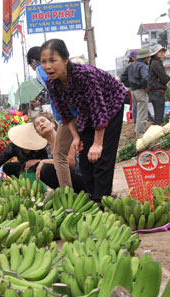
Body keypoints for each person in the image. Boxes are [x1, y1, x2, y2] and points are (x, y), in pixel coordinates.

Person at [40, 39, 125, 203]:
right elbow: (65, 114)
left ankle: (102, 200)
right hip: (85, 112)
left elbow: (99, 109)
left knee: (102, 156)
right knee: (85, 158)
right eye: (44, 61)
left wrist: (99, 143)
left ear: (65, 60)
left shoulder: (84, 75)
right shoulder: (52, 83)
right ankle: (92, 198)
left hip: (111, 104)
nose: (48, 66)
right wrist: (76, 137)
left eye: (52, 60)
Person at [27, 46, 78, 190]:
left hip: (68, 115)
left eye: (43, 121)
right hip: (72, 114)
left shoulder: (40, 70)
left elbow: (55, 91)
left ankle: (68, 195)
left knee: (60, 158)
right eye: (38, 124)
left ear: (32, 61)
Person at [32, 115, 85, 192]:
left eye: (43, 121)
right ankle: (60, 192)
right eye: (37, 124)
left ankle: (70, 192)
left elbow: (71, 162)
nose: (41, 124)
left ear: (53, 124)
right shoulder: (47, 147)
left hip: (78, 177)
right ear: (38, 133)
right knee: (38, 167)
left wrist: (44, 161)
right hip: (63, 179)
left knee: (45, 167)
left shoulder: (65, 138)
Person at [127, 48, 151, 138]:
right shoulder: (143, 66)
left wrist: (130, 86)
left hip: (133, 90)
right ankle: (140, 134)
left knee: (137, 110)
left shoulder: (131, 65)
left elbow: (123, 77)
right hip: (140, 90)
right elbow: (145, 78)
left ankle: (137, 130)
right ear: (145, 57)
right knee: (142, 113)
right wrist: (146, 87)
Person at [148, 44, 170, 125]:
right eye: (159, 51)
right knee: (159, 116)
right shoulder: (156, 63)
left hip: (155, 92)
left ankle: (157, 133)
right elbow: (164, 78)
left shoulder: (153, 62)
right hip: (157, 92)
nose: (162, 53)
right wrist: (168, 79)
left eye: (162, 51)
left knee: (158, 115)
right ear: (155, 53)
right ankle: (157, 134)